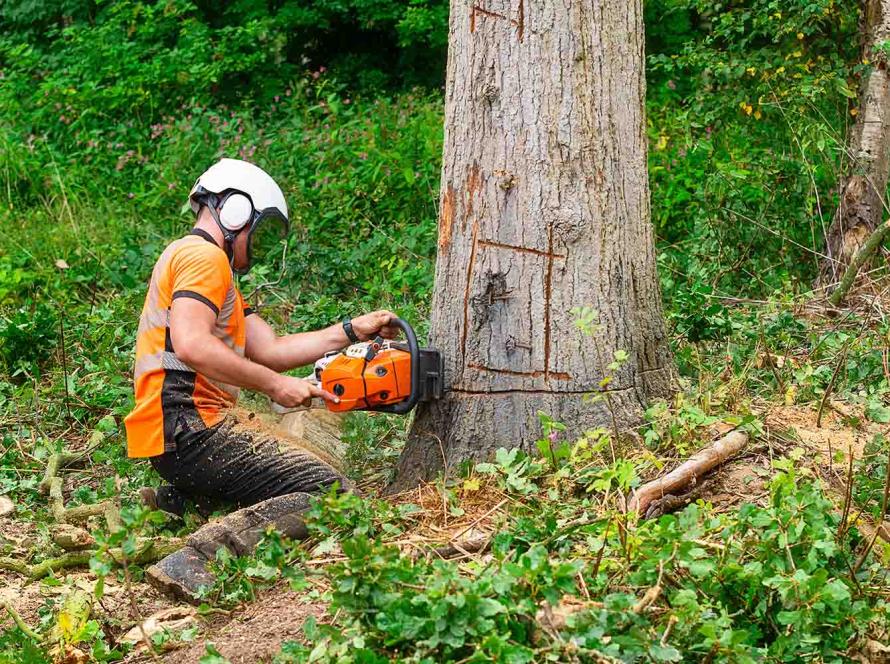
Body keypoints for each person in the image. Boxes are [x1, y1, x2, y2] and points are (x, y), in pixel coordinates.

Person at [124, 158, 398, 598]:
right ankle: (196, 558)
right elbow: (193, 345)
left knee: (286, 478)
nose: (257, 244)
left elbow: (271, 350)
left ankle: (182, 501)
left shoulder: (208, 268)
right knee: (332, 492)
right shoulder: (203, 258)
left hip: (176, 435)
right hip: (192, 430)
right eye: (259, 228)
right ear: (234, 211)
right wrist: (273, 386)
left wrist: (350, 331)